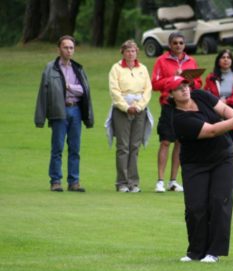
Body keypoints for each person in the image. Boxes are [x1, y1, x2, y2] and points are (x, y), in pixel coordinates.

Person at [167, 77, 233, 263]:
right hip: (195, 164)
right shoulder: (179, 119)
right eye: (178, 88)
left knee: (219, 201)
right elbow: (212, 130)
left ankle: (214, 252)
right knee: (195, 207)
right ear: (170, 94)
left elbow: (223, 109)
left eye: (185, 85)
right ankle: (195, 252)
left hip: (223, 158)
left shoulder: (200, 95)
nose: (185, 90)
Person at [34, 35, 94, 192]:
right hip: (59, 111)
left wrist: (69, 87)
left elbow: (84, 90)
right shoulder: (50, 68)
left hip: (76, 110)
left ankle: (74, 182)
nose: (69, 50)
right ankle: (55, 181)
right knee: (57, 148)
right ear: (59, 49)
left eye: (71, 48)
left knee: (75, 148)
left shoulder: (78, 68)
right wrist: (40, 118)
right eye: (66, 47)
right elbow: (43, 93)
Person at [151, 32, 202, 193]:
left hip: (186, 106)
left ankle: (173, 181)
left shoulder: (191, 61)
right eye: (175, 43)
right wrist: (174, 79)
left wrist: (190, 81)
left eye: (181, 43)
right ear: (170, 44)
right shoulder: (162, 61)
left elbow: (198, 83)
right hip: (169, 104)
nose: (178, 46)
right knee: (166, 141)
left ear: (184, 45)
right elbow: (155, 84)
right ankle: (160, 180)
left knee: (180, 142)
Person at [107, 40, 152, 193]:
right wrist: (126, 107)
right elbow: (114, 90)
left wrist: (139, 106)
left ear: (136, 52)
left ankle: (133, 182)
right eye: (127, 51)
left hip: (140, 110)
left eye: (133, 51)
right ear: (123, 52)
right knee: (123, 146)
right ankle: (122, 182)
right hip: (122, 110)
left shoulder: (143, 69)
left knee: (134, 146)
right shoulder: (116, 68)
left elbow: (147, 90)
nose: (130, 54)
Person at [203, 49, 233, 191]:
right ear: (218, 60)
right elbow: (206, 95)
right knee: (215, 151)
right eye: (223, 57)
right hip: (216, 121)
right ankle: (215, 181)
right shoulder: (211, 78)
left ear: (232, 60)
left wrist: (226, 102)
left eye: (228, 57)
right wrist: (216, 102)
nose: (225, 60)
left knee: (232, 151)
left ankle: (232, 183)